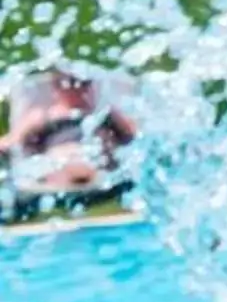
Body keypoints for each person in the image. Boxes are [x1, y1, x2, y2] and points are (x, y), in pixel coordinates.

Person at [6, 65, 139, 209]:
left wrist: (113, 118)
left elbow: (135, 136)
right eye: (69, 84)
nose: (77, 89)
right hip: (56, 171)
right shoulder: (41, 116)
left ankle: (82, 172)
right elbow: (11, 143)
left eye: (84, 84)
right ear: (57, 88)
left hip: (104, 172)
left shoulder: (104, 113)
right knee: (64, 157)